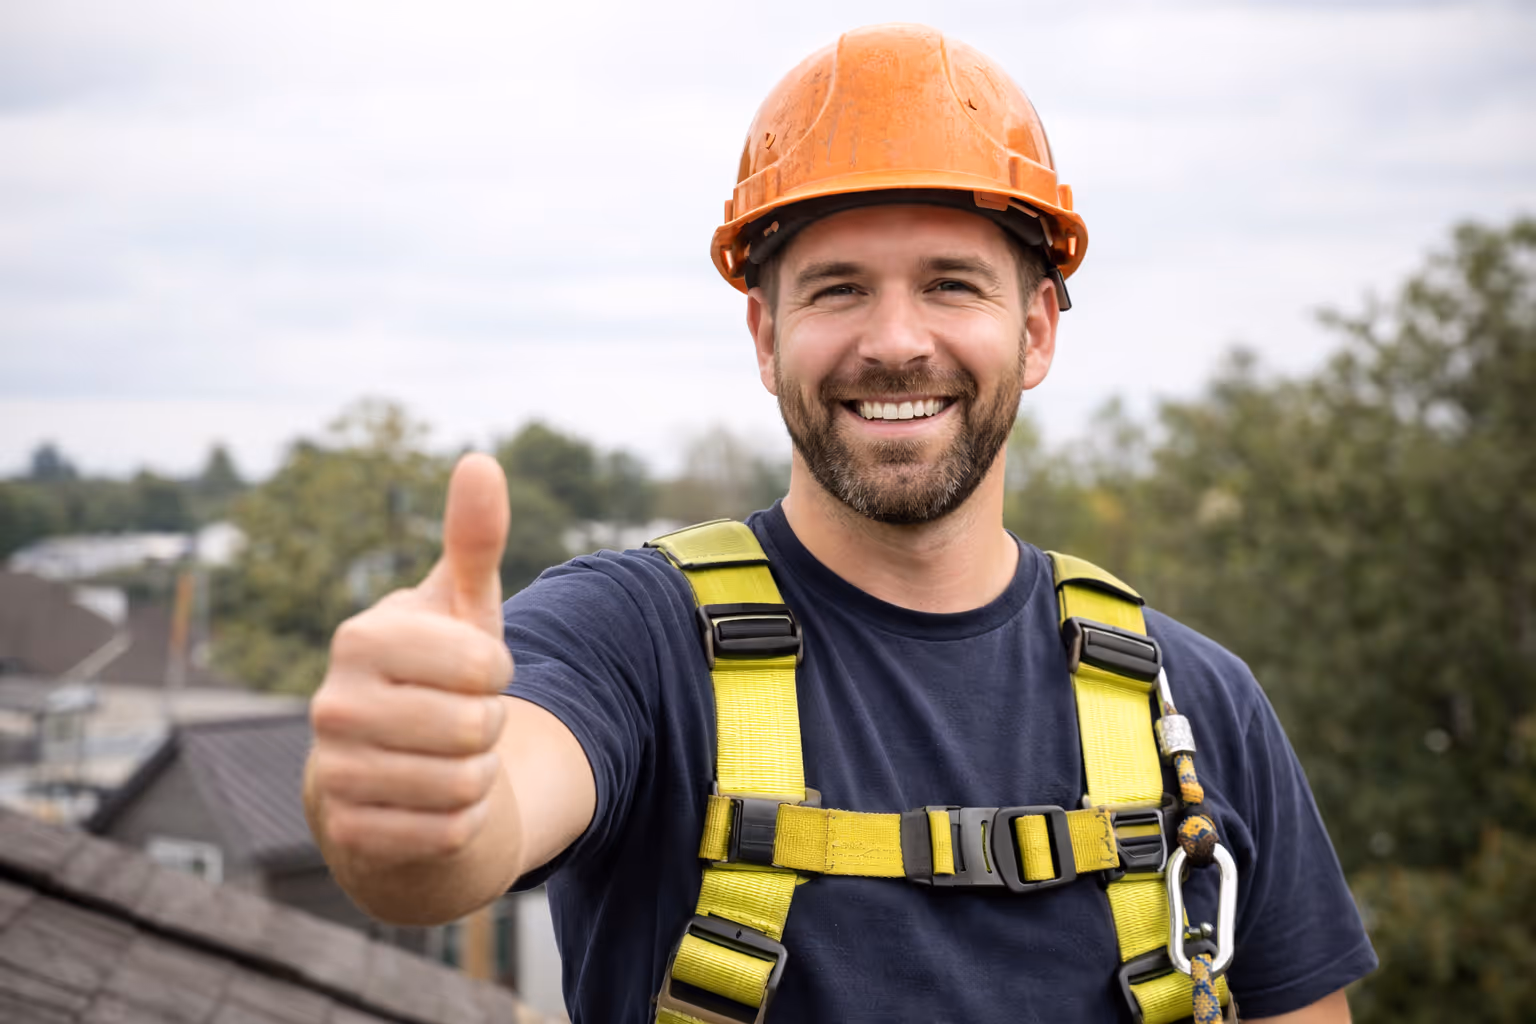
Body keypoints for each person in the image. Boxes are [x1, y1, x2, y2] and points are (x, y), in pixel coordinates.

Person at [304, 23, 1377, 1023]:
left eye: (952, 284)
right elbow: (475, 821)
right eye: (838, 290)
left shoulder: (1195, 707)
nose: (896, 340)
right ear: (766, 335)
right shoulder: (631, 640)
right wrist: (418, 805)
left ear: (1037, 330)